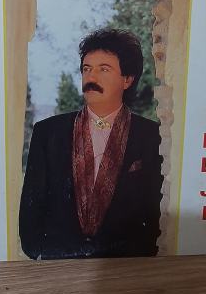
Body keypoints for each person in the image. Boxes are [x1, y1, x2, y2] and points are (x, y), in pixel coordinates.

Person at [19, 28, 163, 260]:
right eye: (87, 69)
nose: (91, 78)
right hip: (58, 267)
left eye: (103, 69)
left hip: (126, 270)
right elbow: (31, 210)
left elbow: (157, 214)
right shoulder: (48, 133)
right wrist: (42, 257)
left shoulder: (152, 136)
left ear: (127, 79)